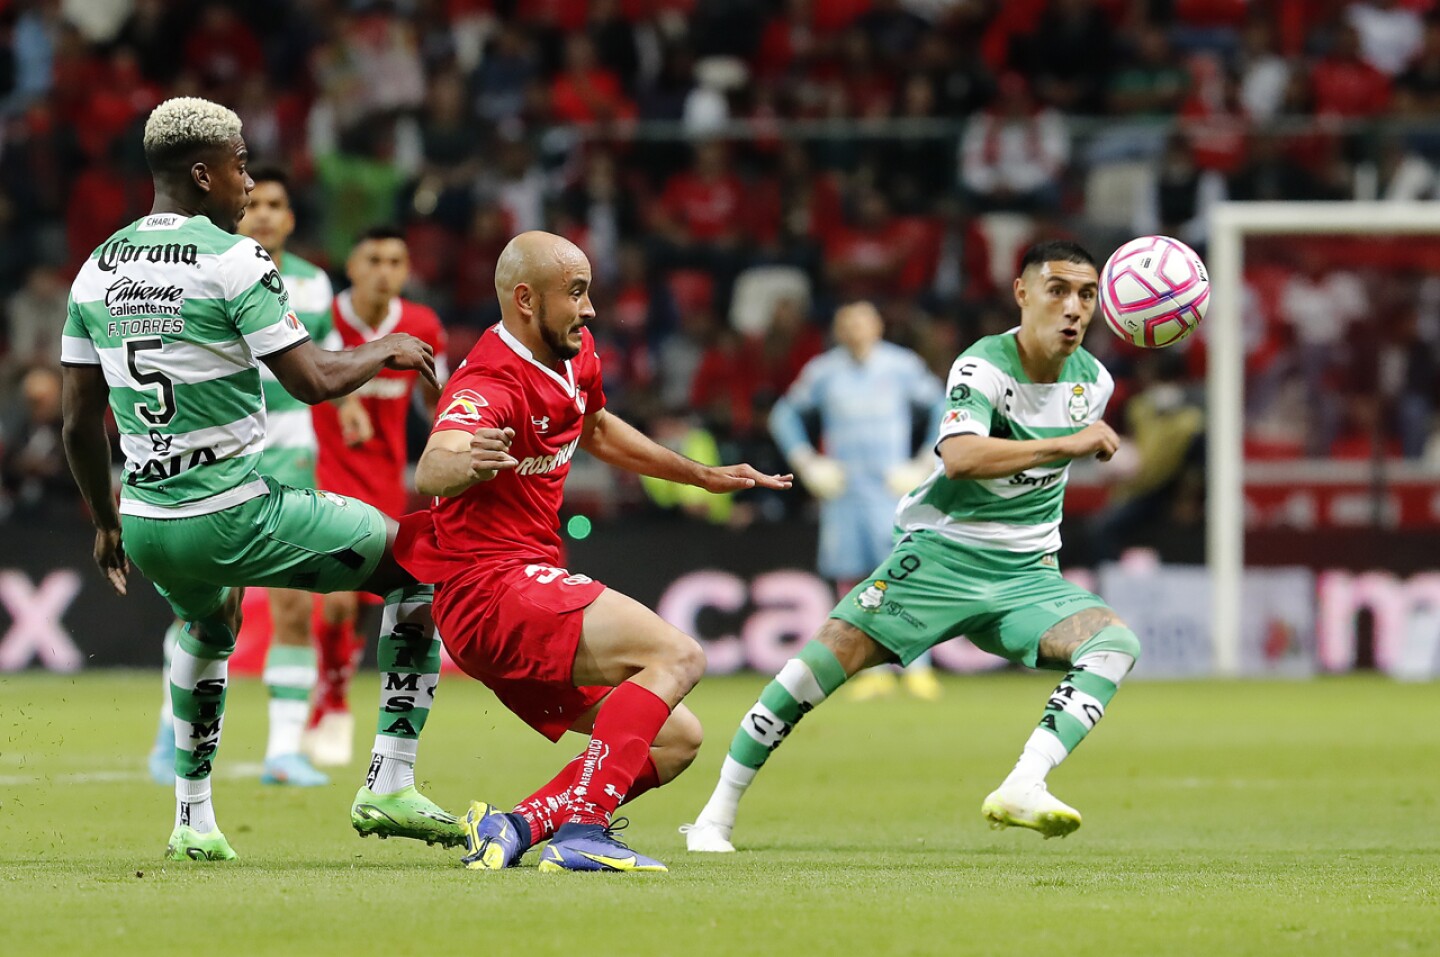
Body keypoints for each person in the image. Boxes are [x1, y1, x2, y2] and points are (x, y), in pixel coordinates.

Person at [61, 97, 461, 861]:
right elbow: (311, 379)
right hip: (234, 510)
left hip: (146, 521)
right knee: (419, 566)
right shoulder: (235, 258)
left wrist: (106, 523)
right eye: (242, 164)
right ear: (204, 172)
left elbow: (80, 422)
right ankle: (389, 779)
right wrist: (388, 347)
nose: (250, 180)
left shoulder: (97, 265)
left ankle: (192, 818)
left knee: (209, 628)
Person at [683, 240, 1140, 853]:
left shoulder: (1095, 381)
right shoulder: (983, 367)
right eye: (1057, 290)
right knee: (811, 670)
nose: (1073, 308)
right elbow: (959, 456)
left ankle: (1026, 783)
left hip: (1027, 575)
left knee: (1114, 644)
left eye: (1086, 295)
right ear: (1022, 294)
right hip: (942, 558)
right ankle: (716, 813)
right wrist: (1069, 444)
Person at [397, 230, 791, 873]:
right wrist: (460, 461)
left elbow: (598, 427)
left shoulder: (574, 354)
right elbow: (434, 463)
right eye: (575, 294)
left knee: (673, 740)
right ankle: (585, 830)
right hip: (489, 591)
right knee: (679, 653)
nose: (590, 309)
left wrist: (702, 475)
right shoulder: (489, 381)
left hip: (524, 586)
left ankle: (516, 826)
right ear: (526, 299)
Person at [144, 166, 355, 788]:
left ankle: (284, 752)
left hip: (291, 457)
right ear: (238, 210)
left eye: (277, 203)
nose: (263, 212)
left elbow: (323, 363)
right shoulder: (206, 271)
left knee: (293, 608)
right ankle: (169, 731)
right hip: (222, 457)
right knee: (204, 607)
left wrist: (348, 407)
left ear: (291, 218)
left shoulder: (315, 287)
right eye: (254, 201)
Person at [304, 226, 448, 767]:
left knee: (369, 601)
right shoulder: (324, 319)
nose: (385, 270)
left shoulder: (422, 326)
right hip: (321, 471)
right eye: (374, 260)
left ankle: (330, 692)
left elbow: (441, 397)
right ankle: (334, 706)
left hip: (386, 482)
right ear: (353, 267)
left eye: (395, 261)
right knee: (338, 598)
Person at [769, 300, 946, 701]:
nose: (856, 331)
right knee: (853, 581)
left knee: (905, 576)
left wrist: (922, 462)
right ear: (837, 329)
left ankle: (918, 666)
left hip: (892, 490)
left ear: (878, 326)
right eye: (847, 323)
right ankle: (871, 670)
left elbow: (943, 407)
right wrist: (808, 462)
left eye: (863, 322)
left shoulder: (901, 366)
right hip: (846, 492)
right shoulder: (824, 372)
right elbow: (784, 414)